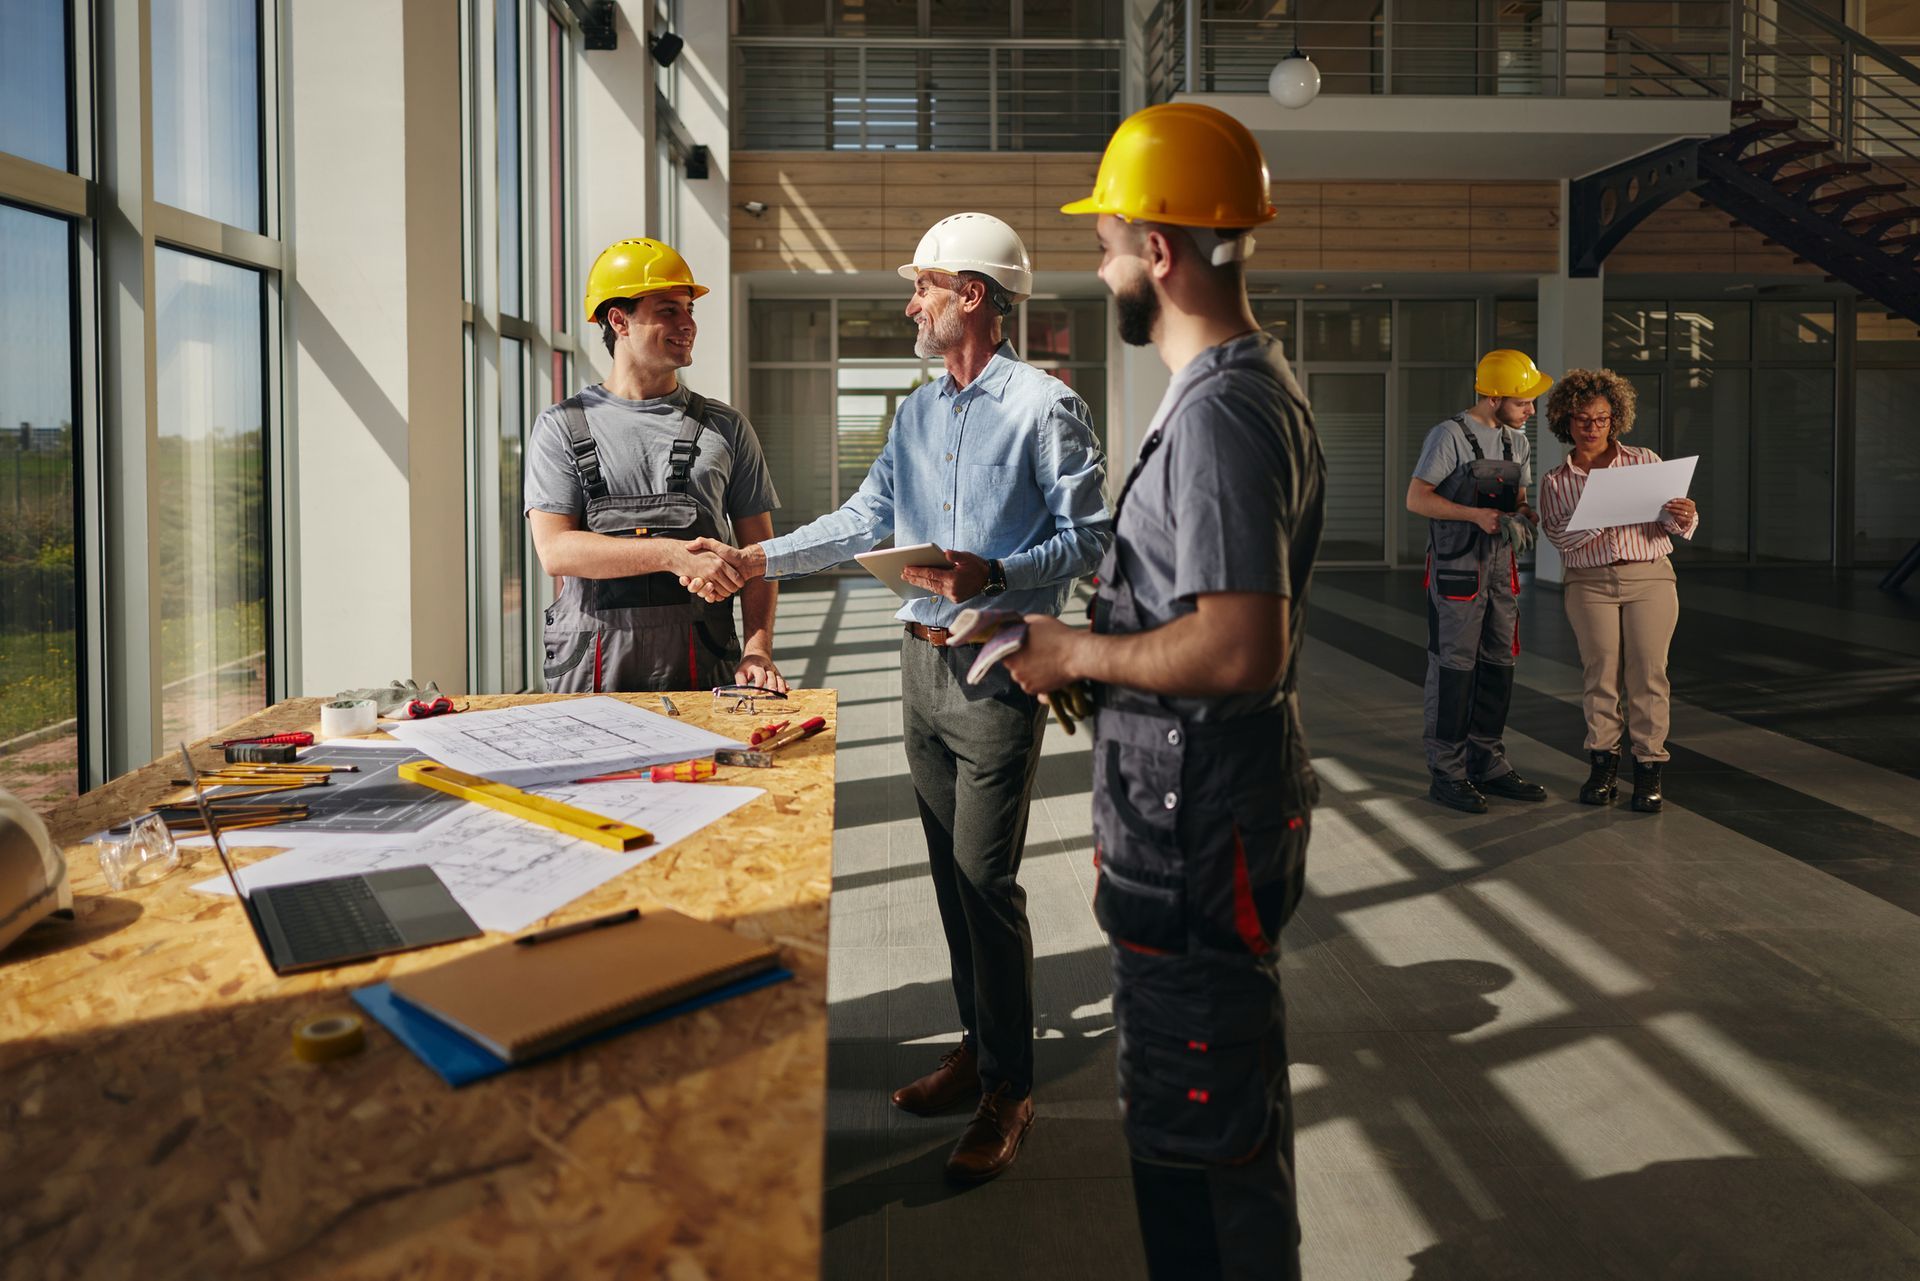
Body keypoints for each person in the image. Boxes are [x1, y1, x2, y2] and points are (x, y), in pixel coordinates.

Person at [683, 213, 1111, 1182]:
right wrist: (755, 556)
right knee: (948, 882)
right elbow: (860, 521)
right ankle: (978, 1043)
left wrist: (991, 571)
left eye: (922, 286)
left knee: (986, 883)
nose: (909, 303)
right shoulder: (917, 414)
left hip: (998, 667)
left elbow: (1091, 540)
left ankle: (1011, 1085)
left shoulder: (1046, 409)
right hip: (917, 670)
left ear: (972, 296)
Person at [1002, 102, 1325, 1281]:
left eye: (1108, 242)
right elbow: (1190, 616)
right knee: (1195, 1117)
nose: (1100, 267)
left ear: (1163, 252)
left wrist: (1079, 658)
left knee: (1205, 1140)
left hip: (1200, 837)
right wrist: (1083, 645)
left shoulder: (1227, 412)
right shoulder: (1223, 396)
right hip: (1183, 821)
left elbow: (1241, 648)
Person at [523, 237, 785, 694]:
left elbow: (760, 554)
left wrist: (758, 648)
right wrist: (670, 554)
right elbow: (556, 552)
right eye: (668, 310)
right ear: (618, 320)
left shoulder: (725, 427)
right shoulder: (562, 427)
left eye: (689, 310)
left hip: (703, 667)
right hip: (591, 674)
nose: (687, 324)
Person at [1538, 368, 1698, 812]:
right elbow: (1557, 535)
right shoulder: (1556, 480)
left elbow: (1668, 524)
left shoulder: (1644, 461)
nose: (1592, 427)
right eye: (1583, 418)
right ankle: (1603, 766)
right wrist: (1603, 514)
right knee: (1601, 674)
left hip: (1649, 575)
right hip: (1589, 583)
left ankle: (1649, 769)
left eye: (1602, 418)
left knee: (1649, 674)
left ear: (1615, 419)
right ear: (1565, 422)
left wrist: (1683, 513)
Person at [1406, 350, 1554, 813]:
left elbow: (1520, 499)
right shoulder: (1448, 436)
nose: (1531, 409)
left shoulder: (1517, 441)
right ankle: (1447, 772)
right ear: (1493, 398)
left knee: (1498, 663)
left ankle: (1486, 761)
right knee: (1454, 668)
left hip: (1500, 571)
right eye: (1523, 400)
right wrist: (1475, 515)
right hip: (1457, 570)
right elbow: (1417, 499)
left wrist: (1528, 515)